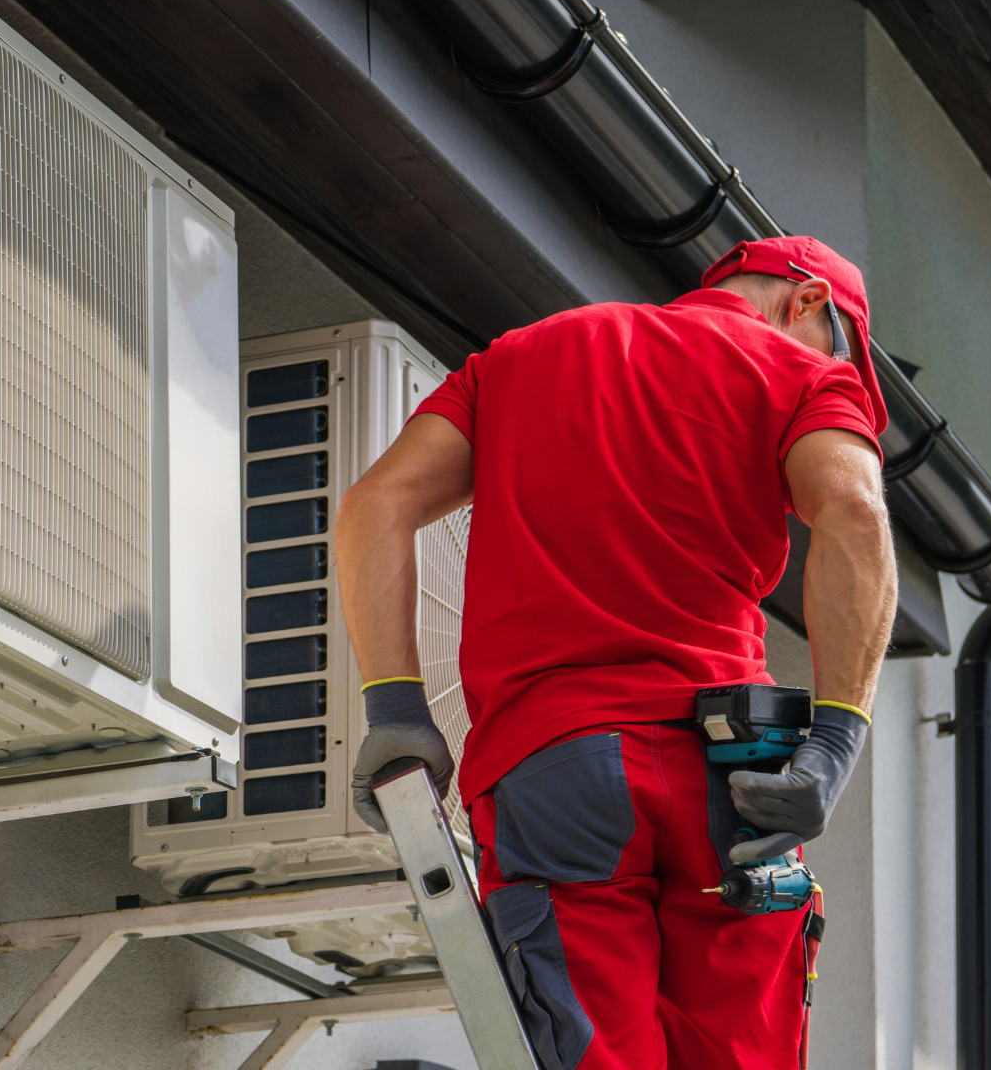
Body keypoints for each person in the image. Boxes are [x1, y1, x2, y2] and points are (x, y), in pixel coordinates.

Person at [333, 237, 897, 1070]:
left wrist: (396, 710)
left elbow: (377, 504)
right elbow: (852, 507)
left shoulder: (518, 359)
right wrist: (838, 740)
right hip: (731, 776)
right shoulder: (801, 374)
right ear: (806, 301)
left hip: (554, 766)